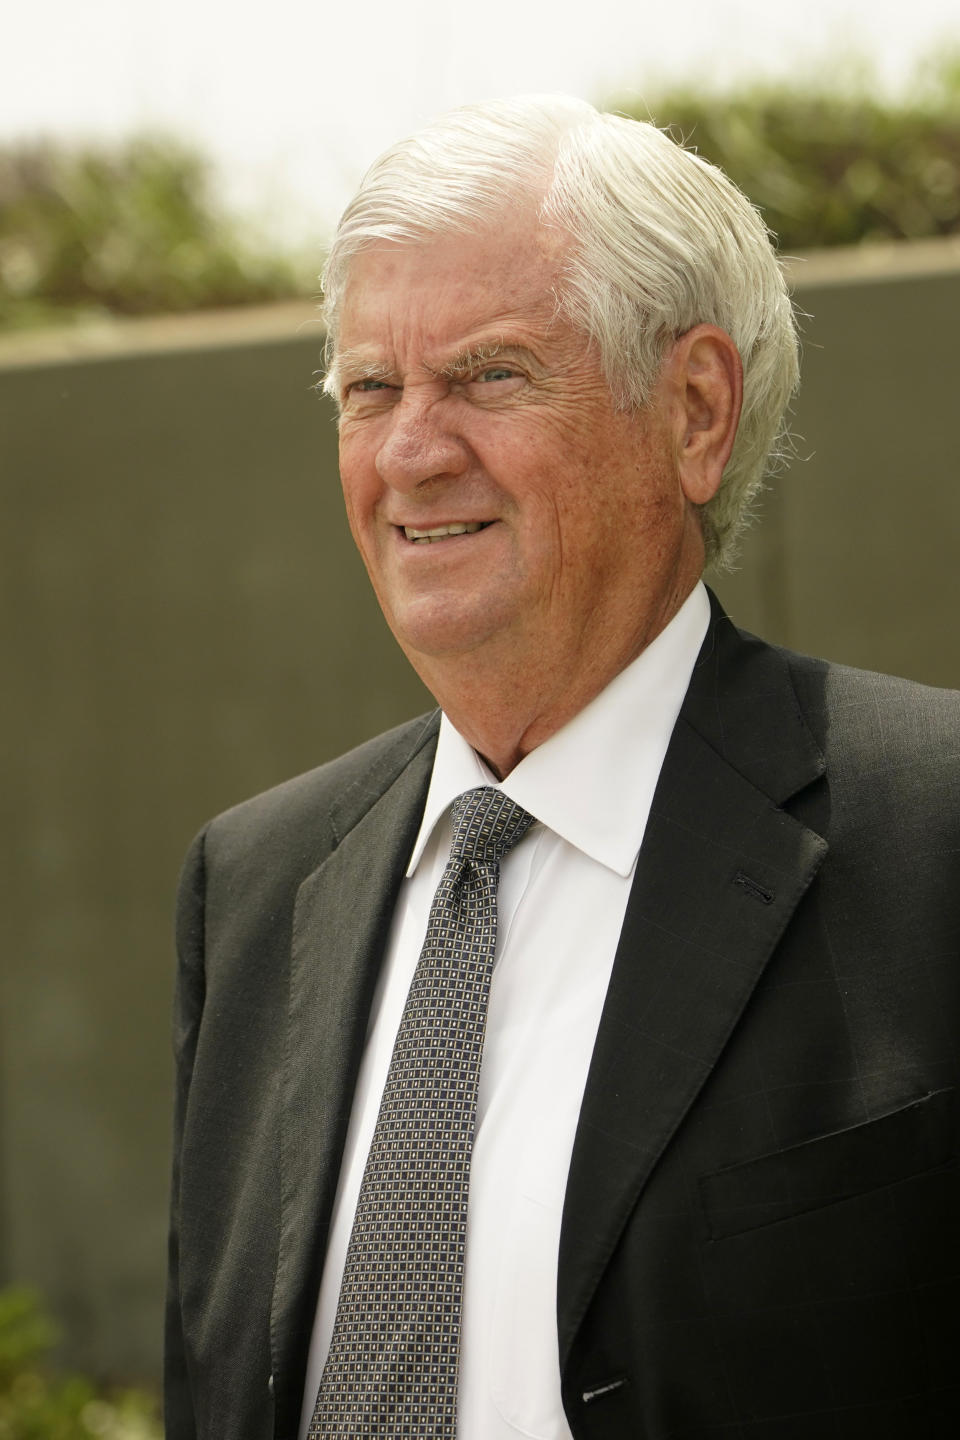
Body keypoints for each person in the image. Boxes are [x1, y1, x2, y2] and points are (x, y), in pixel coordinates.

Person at [165, 95, 959, 1440]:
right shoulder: (251, 888)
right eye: (371, 389)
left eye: (490, 374)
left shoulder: (932, 834)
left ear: (697, 411)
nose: (412, 452)